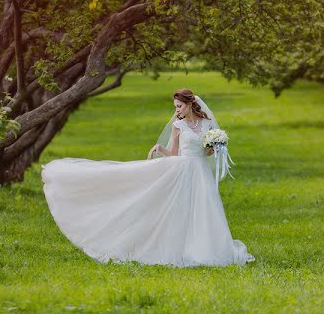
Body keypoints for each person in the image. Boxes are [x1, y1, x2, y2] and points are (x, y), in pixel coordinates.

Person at [41, 88, 254, 267]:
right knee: (177, 209)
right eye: (175, 107)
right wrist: (160, 148)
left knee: (203, 209)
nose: (177, 110)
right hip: (182, 169)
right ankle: (177, 246)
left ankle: (205, 248)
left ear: (190, 104)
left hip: (200, 172)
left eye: (179, 106)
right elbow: (174, 153)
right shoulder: (177, 126)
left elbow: (206, 153)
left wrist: (216, 146)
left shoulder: (207, 125)